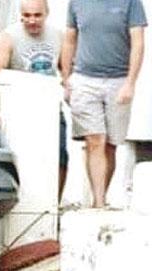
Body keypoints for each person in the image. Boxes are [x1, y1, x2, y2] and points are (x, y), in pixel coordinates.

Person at [61, 0, 147, 208]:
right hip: (84, 79)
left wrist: (130, 83)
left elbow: (138, 42)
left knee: (110, 145)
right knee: (94, 140)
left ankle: (100, 196)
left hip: (118, 79)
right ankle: (98, 203)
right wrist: (66, 78)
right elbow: (70, 39)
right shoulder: (77, 3)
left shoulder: (131, 3)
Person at [0, 0, 68, 201]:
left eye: (37, 15)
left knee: (60, 157)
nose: (32, 20)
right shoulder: (8, 37)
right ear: (21, 15)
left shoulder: (58, 36)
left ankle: (53, 205)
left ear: (47, 14)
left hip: (50, 108)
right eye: (27, 15)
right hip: (19, 109)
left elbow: (67, 73)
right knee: (22, 160)